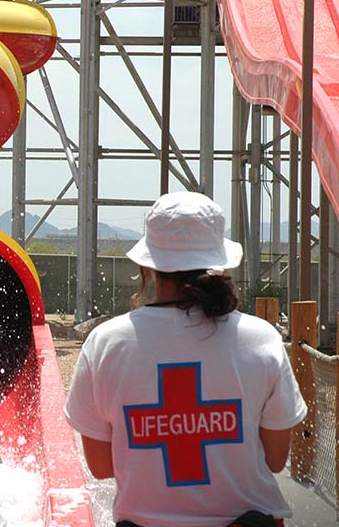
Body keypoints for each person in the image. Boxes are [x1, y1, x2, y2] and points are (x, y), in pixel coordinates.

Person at [64, 191, 307, 527]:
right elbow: (276, 460)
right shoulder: (261, 339)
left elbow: (102, 467)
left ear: (147, 267)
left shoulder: (105, 343)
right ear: (219, 262)